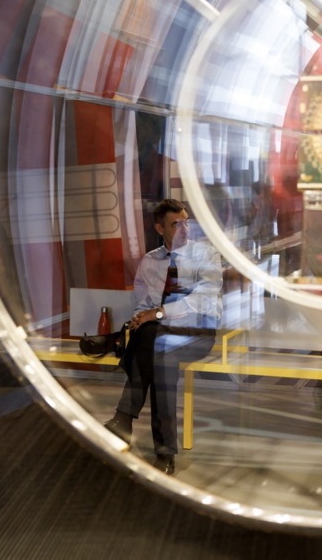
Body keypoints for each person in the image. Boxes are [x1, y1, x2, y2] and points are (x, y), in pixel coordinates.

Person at [103, 199, 223, 474]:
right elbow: (143, 303)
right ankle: (164, 453)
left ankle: (124, 417)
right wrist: (141, 316)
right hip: (161, 339)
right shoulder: (150, 261)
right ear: (160, 228)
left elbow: (202, 301)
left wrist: (158, 313)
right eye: (175, 224)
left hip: (197, 333)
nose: (184, 228)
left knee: (153, 339)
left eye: (186, 222)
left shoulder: (206, 255)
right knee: (161, 357)